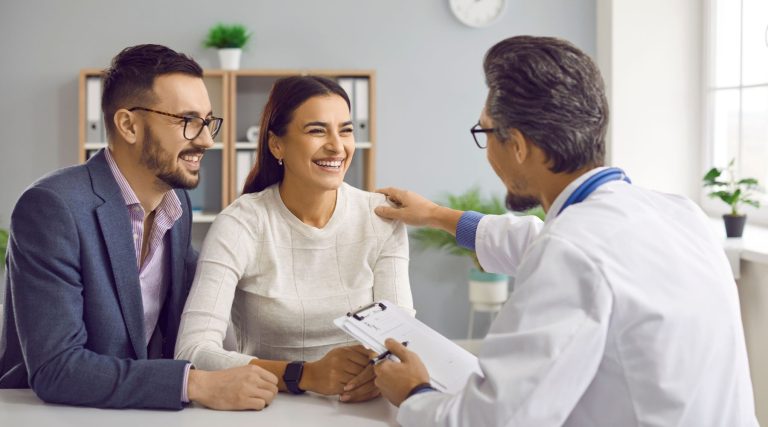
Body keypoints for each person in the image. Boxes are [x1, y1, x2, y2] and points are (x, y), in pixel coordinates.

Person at [371, 36, 758, 426]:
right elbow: (541, 244)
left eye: (485, 133)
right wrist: (436, 214)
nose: (487, 148)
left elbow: (497, 420)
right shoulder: (677, 213)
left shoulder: (572, 249)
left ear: (518, 146)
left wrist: (415, 393)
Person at [0, 44, 278, 410]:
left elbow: (223, 287)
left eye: (208, 121)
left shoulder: (176, 207)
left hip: (137, 413)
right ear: (128, 125)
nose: (207, 140)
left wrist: (368, 217)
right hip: (48, 415)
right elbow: (57, 367)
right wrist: (194, 384)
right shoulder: (53, 208)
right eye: (188, 121)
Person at [174, 76, 413, 403]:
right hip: (269, 406)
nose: (336, 146)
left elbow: (401, 335)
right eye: (317, 130)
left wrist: (379, 371)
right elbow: (192, 350)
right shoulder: (241, 223)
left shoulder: (381, 218)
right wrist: (303, 375)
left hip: (365, 408)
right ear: (277, 145)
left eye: (345, 130)